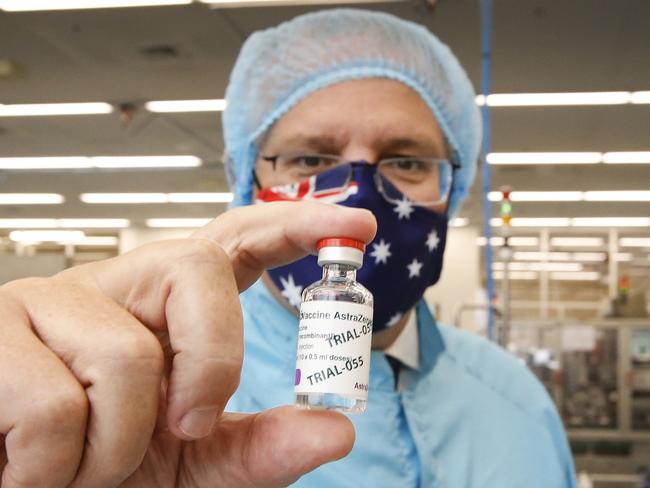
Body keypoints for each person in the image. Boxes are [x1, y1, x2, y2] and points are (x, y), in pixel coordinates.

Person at [0, 8, 576, 488]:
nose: (357, 199)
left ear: (453, 189)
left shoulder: (518, 403)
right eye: (310, 160)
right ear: (248, 181)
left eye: (406, 161)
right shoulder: (154, 394)